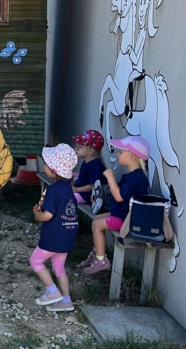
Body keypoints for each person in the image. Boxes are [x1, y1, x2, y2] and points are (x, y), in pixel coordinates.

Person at [82, 136, 151, 274]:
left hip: (127, 220)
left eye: (120, 152)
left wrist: (110, 177)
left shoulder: (136, 178)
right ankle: (97, 253)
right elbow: (115, 193)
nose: (117, 154)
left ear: (132, 157)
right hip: (123, 214)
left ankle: (101, 261)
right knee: (96, 219)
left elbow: (119, 196)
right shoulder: (131, 176)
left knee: (97, 225)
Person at [30, 144, 79, 312]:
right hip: (67, 235)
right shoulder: (68, 188)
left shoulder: (53, 189)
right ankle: (66, 301)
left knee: (35, 261)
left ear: (53, 170)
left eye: (46, 163)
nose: (44, 165)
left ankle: (52, 292)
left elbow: (48, 215)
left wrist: (38, 216)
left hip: (53, 236)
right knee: (59, 268)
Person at [71, 129, 106, 204]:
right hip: (81, 192)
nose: (76, 149)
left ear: (90, 151)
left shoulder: (97, 165)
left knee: (66, 199)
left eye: (79, 147)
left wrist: (76, 189)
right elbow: (83, 179)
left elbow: (92, 186)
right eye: (76, 146)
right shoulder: (86, 161)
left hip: (88, 195)